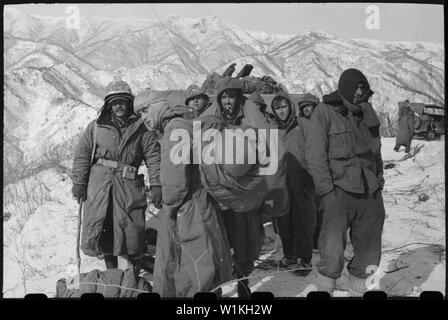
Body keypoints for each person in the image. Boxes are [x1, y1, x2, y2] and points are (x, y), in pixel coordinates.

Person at [135, 89, 232, 297]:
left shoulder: (173, 129)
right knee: (203, 263)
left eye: (145, 110)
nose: (143, 118)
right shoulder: (185, 123)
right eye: (140, 113)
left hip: (188, 209)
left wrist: (168, 209)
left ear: (159, 106)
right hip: (200, 205)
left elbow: (175, 181)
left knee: (193, 269)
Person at [306, 69, 385, 296]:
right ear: (345, 87)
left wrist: (379, 180)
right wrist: (327, 192)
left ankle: (359, 291)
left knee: (370, 251)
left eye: (363, 88)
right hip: (338, 191)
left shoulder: (368, 113)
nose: (359, 92)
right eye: (355, 87)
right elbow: (315, 155)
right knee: (331, 252)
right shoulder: (325, 112)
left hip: (369, 191)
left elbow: (375, 152)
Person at [71, 80, 162, 270]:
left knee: (129, 228)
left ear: (130, 103)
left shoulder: (141, 127)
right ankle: (111, 270)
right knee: (103, 226)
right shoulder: (96, 127)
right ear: (109, 105)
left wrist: (157, 185)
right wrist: (79, 182)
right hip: (99, 186)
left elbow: (154, 156)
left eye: (122, 102)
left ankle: (131, 269)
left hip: (128, 186)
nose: (119, 106)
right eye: (114, 102)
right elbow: (83, 154)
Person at [201, 84, 273, 297]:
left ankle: (243, 282)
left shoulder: (251, 120)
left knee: (244, 241)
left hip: (244, 195)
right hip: (219, 194)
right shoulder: (213, 121)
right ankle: (217, 286)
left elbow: (265, 153)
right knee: (218, 242)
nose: (227, 102)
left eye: (231, 97)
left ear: (239, 99)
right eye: (223, 98)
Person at [270, 92, 315, 276]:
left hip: (301, 178)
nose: (281, 111)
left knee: (303, 220)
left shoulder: (302, 125)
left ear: (290, 106)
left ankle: (305, 259)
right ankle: (289, 255)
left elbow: (313, 150)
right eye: (277, 108)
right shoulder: (273, 129)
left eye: (284, 106)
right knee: (284, 219)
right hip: (280, 180)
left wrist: (310, 175)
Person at [296, 94, 321, 252]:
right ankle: (310, 239)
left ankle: (317, 239)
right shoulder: (301, 125)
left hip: (321, 169)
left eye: (309, 105)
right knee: (309, 209)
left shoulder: (323, 123)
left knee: (320, 208)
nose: (306, 109)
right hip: (307, 169)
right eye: (303, 106)